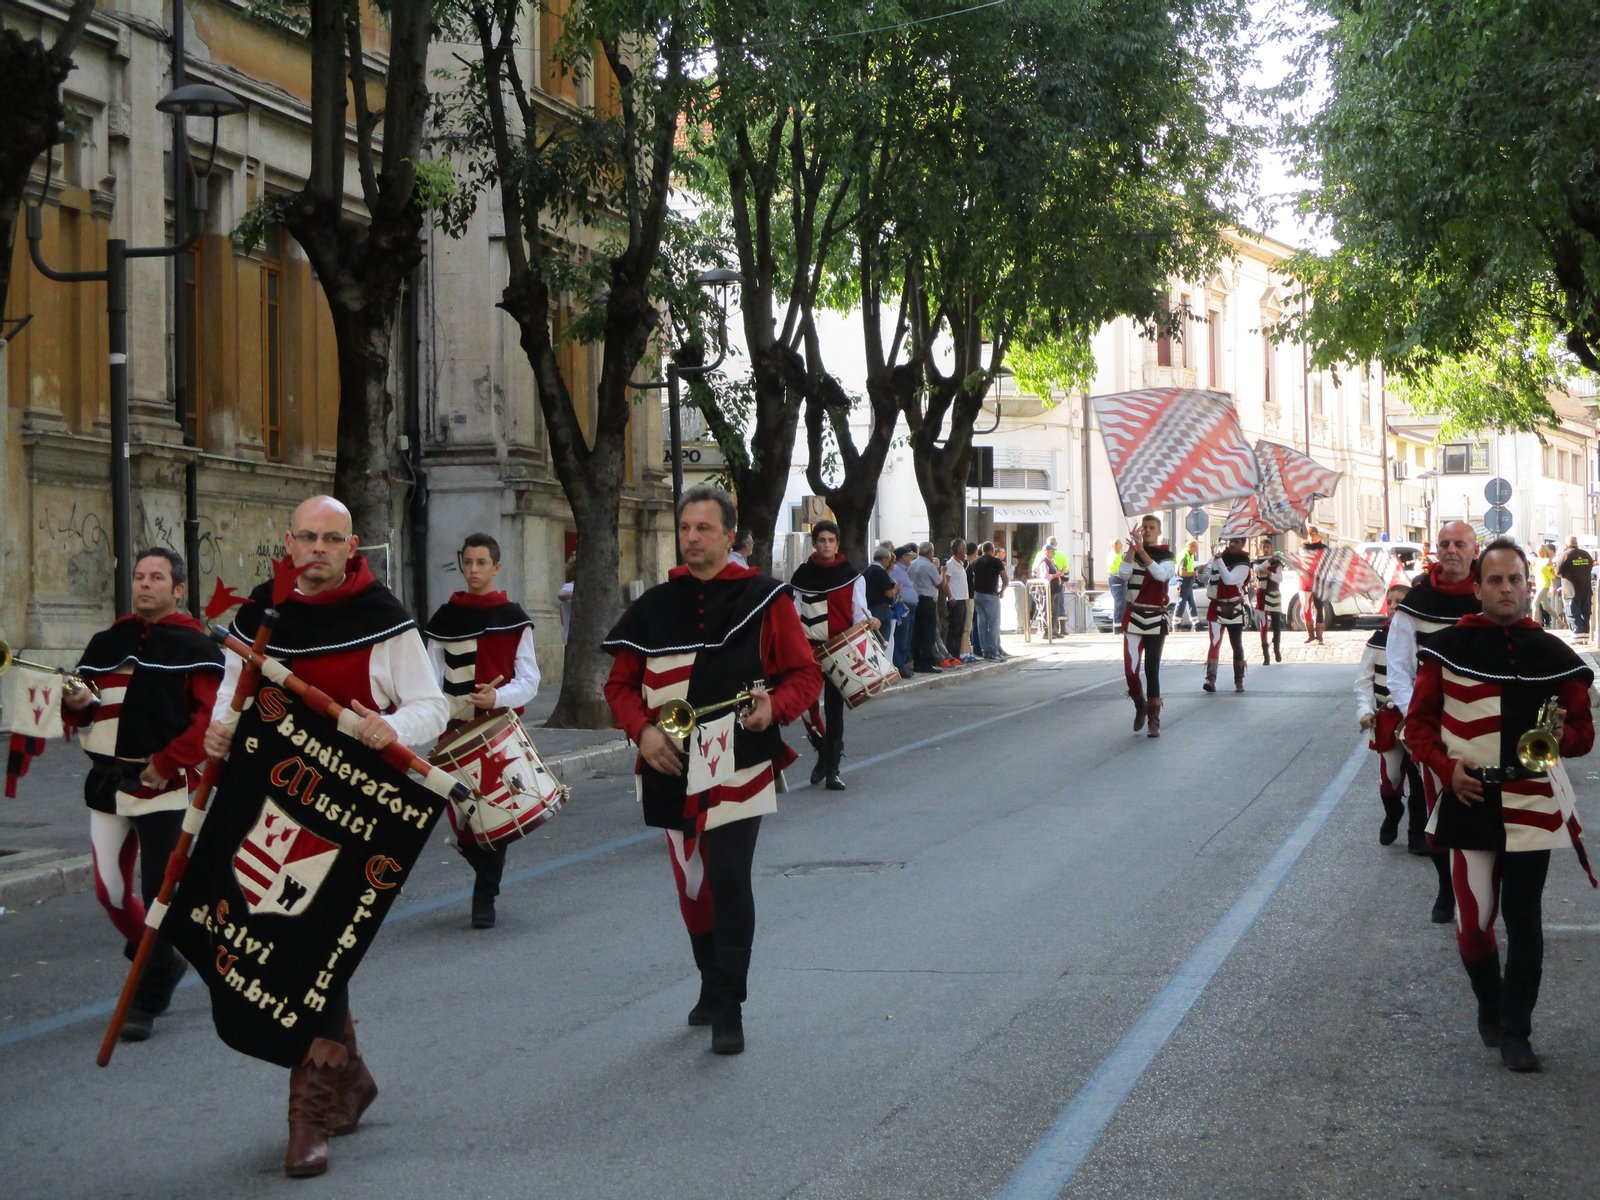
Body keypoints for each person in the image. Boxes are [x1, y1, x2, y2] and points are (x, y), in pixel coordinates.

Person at [203, 495, 449, 1178]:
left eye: (330, 539)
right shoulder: (260, 619)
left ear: (352, 546)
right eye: (306, 538)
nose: (316, 549)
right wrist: (220, 732)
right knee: (282, 944)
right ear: (289, 542)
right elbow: (233, 699)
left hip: (355, 818)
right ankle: (353, 1073)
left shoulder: (384, 622)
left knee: (318, 950)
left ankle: (306, 1114)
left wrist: (392, 727)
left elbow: (434, 707)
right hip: (269, 808)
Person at [603, 485, 822, 1055]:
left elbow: (804, 675)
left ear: (730, 536)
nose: (693, 538)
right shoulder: (652, 606)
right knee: (692, 886)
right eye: (686, 528)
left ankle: (731, 1005)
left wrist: (775, 707)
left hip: (739, 760)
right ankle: (708, 979)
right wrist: (643, 731)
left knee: (727, 876)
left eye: (705, 528)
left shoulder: (765, 598)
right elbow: (620, 685)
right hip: (666, 759)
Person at [1405, 539, 1594, 1073]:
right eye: (1495, 580)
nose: (1506, 589)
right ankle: (1491, 1004)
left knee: (1525, 920)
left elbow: (1583, 735)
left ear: (1528, 586)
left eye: (1515, 580)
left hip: (1534, 801)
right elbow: (1416, 725)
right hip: (1471, 799)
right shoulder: (1446, 647)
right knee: (1474, 925)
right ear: (1478, 586)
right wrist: (1446, 770)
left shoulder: (1557, 657)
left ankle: (1517, 1031)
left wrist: (1563, 735)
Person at [61, 547, 224, 1042]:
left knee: (159, 895)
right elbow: (85, 713)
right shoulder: (106, 641)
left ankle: (148, 992)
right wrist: (77, 706)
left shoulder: (196, 647)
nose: (145, 584)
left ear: (178, 589)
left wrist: (168, 762)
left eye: (157, 577)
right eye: (139, 577)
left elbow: (208, 720)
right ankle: (163, 961)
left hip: (166, 788)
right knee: (110, 892)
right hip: (108, 785)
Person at [423, 532, 541, 930]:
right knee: (462, 819)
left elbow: (530, 680)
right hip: (453, 732)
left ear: (496, 567)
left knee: (497, 816)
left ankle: (484, 896)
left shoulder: (514, 618)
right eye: (468, 562)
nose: (473, 570)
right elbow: (430, 679)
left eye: (481, 563)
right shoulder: (444, 619)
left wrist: (498, 697)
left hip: (498, 729)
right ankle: (483, 875)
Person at [1389, 520, 1481, 920]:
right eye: (1444, 543)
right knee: (1437, 811)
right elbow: (1398, 670)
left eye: (1460, 543)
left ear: (1474, 550)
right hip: (1435, 728)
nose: (1451, 550)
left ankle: (1480, 891)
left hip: (1484, 722)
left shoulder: (1489, 593)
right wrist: (1420, 723)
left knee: (1485, 808)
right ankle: (1446, 889)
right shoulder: (1415, 605)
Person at [789, 520, 871, 789]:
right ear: (814, 544)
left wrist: (869, 622)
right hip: (808, 650)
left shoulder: (852, 576)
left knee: (835, 711)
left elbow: (859, 613)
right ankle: (823, 751)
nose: (826, 545)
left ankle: (833, 767)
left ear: (837, 544)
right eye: (821, 540)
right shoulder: (801, 576)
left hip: (839, 650)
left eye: (831, 541)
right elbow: (793, 614)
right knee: (804, 706)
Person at [1355, 583, 1426, 846]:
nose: (1394, 606)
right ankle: (1393, 810)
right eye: (1390, 602)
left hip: (1414, 717)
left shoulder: (1419, 639)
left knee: (1419, 776)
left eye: (1400, 602)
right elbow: (1363, 682)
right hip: (1387, 717)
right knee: (1391, 777)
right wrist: (1365, 711)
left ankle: (1417, 835)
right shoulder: (1376, 642)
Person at [1119, 514, 1175, 737]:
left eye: (1152, 527)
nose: (1148, 530)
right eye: (1145, 527)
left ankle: (1154, 718)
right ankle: (1139, 704)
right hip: (1134, 617)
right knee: (1131, 672)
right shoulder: (1132, 553)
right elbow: (1123, 575)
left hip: (1155, 619)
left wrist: (1142, 551)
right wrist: (1133, 550)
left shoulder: (1167, 556)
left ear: (1159, 532)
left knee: (1152, 670)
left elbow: (1161, 575)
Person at [1203, 535, 1253, 693]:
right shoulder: (1219, 557)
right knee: (1215, 642)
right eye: (1231, 541)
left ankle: (1239, 680)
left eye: (1236, 542)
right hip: (1216, 606)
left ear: (1243, 544)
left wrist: (1219, 562)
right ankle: (1210, 679)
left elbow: (1229, 579)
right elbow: (1205, 577)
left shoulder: (1244, 564)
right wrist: (1205, 569)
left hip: (1233, 608)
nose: (1231, 544)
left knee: (1236, 644)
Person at [908, 542, 944, 674]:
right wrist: (942, 571)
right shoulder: (929, 566)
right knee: (929, 633)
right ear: (930, 552)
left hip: (915, 600)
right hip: (927, 600)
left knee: (916, 633)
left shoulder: (912, 564)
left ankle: (917, 661)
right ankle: (926, 663)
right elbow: (940, 583)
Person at [970, 542, 1008, 661]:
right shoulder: (996, 561)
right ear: (992, 550)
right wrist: (1002, 591)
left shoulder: (976, 561)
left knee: (981, 623)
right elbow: (1005, 578)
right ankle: (993, 652)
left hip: (978, 595)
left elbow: (972, 578)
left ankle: (984, 651)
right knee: (993, 624)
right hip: (991, 595)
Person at [1252, 536, 1286, 664]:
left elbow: (1279, 578)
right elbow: (1257, 569)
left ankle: (1276, 649)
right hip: (1262, 595)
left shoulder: (1276, 563)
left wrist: (1269, 573)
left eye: (1267, 547)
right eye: (1263, 547)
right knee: (1263, 625)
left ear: (1271, 547)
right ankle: (1266, 655)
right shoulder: (1257, 562)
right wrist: (1266, 564)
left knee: (1276, 625)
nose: (1265, 549)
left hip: (1274, 594)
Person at [1554, 535, 1593, 644]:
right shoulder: (1586, 554)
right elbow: (1590, 567)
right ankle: (1585, 637)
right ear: (1577, 543)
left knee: (1573, 613)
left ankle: (1577, 637)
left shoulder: (1565, 555)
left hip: (1571, 590)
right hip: (1586, 589)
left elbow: (1557, 572)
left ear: (1566, 544)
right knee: (1585, 614)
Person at [889, 545, 919, 677]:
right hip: (903, 606)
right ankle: (899, 665)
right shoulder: (896, 569)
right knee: (902, 636)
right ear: (902, 557)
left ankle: (904, 663)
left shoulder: (904, 570)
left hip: (910, 605)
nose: (910, 558)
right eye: (908, 555)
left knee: (907, 636)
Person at [943, 538, 974, 662]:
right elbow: (946, 582)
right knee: (954, 629)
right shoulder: (951, 564)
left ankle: (957, 655)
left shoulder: (961, 564)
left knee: (960, 629)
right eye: (964, 548)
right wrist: (950, 596)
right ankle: (951, 655)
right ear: (958, 550)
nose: (965, 551)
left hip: (963, 599)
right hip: (956, 599)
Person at [1300, 526, 1329, 643]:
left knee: (1319, 607)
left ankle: (1320, 636)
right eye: (1310, 535)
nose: (1312, 537)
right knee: (1305, 607)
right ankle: (1310, 634)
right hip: (1306, 581)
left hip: (1318, 581)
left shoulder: (1323, 548)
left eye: (1313, 534)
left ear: (1317, 535)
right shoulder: (1303, 548)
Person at [1175, 540, 1201, 632]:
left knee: (1191, 603)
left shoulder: (1188, 555)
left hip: (1187, 583)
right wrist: (1194, 573)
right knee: (1181, 603)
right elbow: (1182, 573)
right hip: (1183, 582)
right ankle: (1176, 624)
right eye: (1196, 547)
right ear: (1191, 547)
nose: (1197, 550)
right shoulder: (1185, 556)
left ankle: (1196, 623)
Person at [1533, 542, 1558, 630]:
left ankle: (1534, 625)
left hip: (1545, 585)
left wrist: (1554, 587)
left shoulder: (1548, 561)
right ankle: (1560, 621)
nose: (1540, 551)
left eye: (1542, 550)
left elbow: (1552, 575)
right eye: (1539, 550)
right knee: (1546, 607)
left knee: (1534, 603)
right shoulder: (1537, 561)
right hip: (1539, 585)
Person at [1106, 539, 1128, 630]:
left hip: (1119, 579)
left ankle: (1120, 625)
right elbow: (1118, 568)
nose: (1121, 544)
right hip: (1116, 579)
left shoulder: (1117, 555)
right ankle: (1117, 626)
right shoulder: (1114, 555)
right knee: (1119, 602)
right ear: (1115, 545)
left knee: (1122, 603)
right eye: (1119, 543)